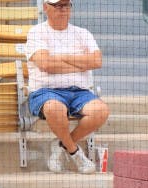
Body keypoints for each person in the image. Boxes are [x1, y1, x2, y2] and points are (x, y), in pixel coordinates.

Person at [26, 0, 110, 175]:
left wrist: (61, 58)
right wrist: (80, 63)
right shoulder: (36, 32)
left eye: (66, 5)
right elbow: (46, 64)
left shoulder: (83, 33)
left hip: (79, 92)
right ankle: (75, 153)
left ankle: (60, 145)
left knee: (101, 111)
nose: (62, 9)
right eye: (57, 5)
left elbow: (96, 61)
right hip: (46, 91)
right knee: (55, 108)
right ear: (45, 7)